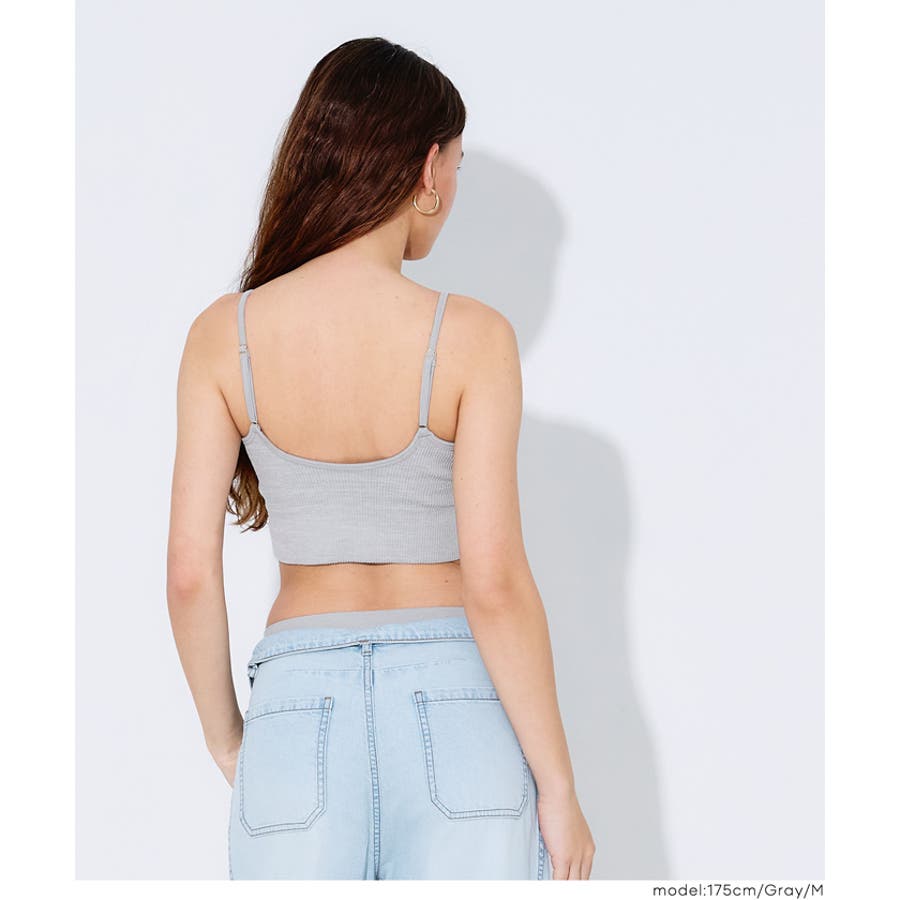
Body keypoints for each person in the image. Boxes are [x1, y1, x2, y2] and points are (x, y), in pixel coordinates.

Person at [166, 36, 594, 880]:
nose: (454, 189)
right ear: (427, 167)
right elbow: (495, 583)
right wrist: (559, 787)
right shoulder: (473, 338)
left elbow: (188, 575)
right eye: (458, 165)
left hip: (296, 711)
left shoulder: (224, 335)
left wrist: (228, 741)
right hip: (459, 705)